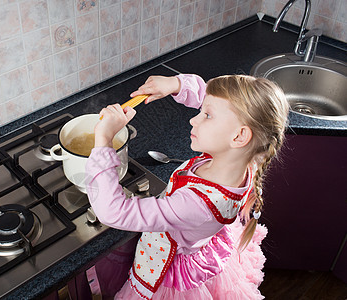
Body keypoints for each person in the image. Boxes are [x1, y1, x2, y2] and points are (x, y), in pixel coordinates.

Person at [85, 74, 289, 299]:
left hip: (164, 271)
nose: (194, 120)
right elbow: (216, 101)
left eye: (207, 115)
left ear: (239, 136)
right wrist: (175, 85)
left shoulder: (194, 205)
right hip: (197, 245)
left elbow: (113, 211)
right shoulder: (244, 156)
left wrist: (104, 140)